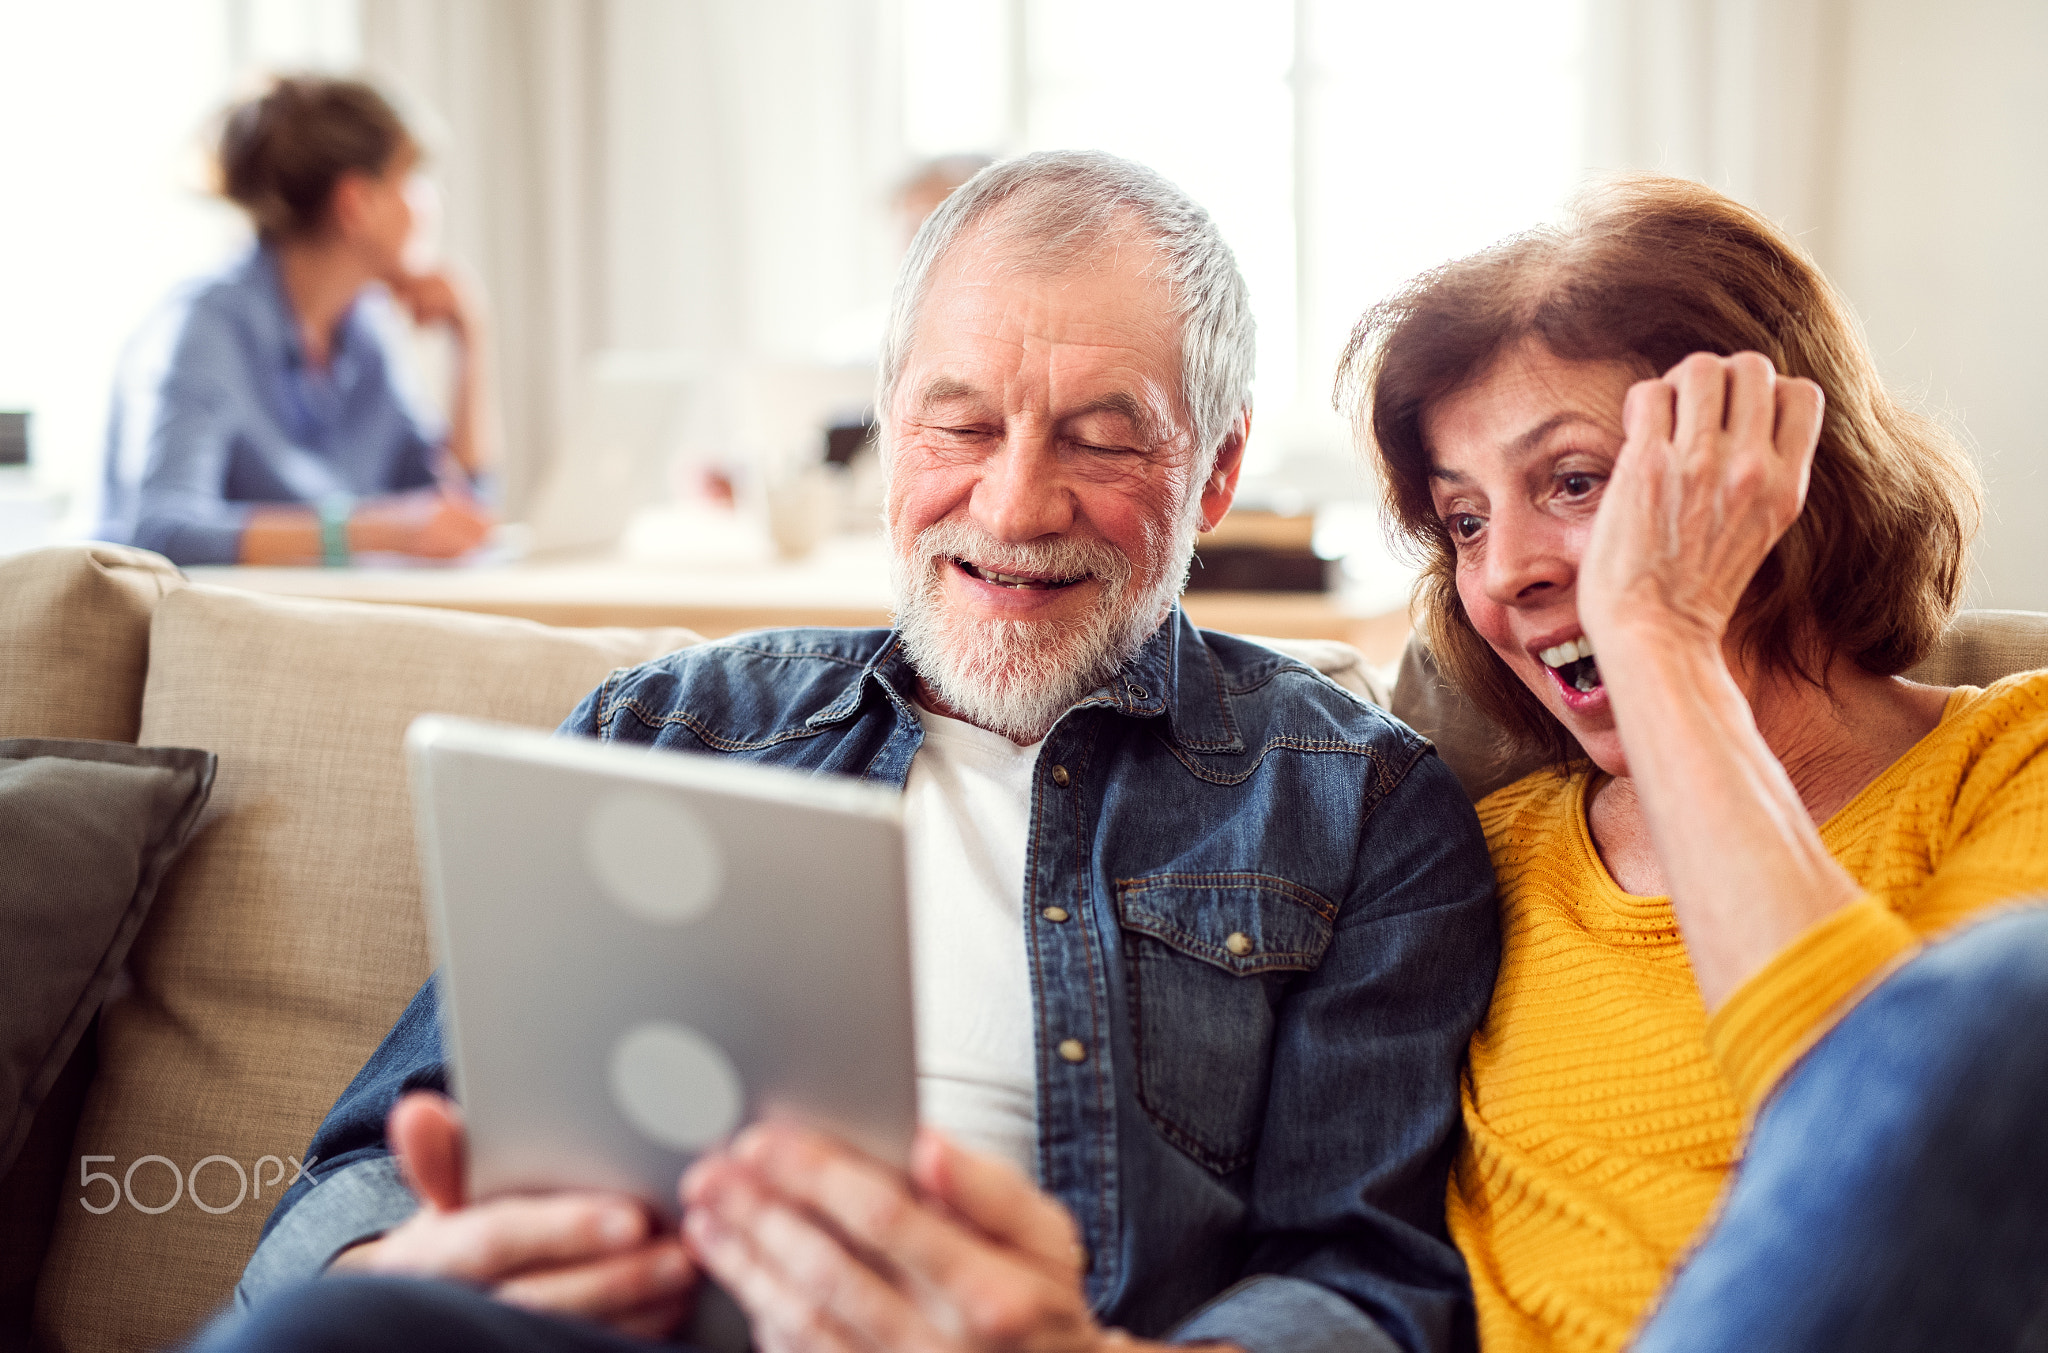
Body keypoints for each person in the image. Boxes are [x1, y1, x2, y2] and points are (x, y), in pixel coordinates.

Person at [207, 151, 1501, 1353]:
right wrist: (406, 1253)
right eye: (961, 425)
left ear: (1215, 472)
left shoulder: (1358, 806)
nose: (1013, 506)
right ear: (889, 430)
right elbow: (360, 1170)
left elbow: (1368, 1283)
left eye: (1103, 438)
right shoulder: (666, 732)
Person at [1339, 174, 2048, 1352]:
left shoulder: (2012, 760)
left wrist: (1660, 638)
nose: (1503, 568)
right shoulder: (1465, 857)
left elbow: (1894, 1145)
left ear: (1770, 481)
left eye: (1572, 481)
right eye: (1463, 520)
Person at [97, 75, 495, 567]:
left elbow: (458, 513)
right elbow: (160, 529)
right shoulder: (205, 327)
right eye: (409, 181)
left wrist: (469, 341)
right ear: (356, 202)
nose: (426, 206)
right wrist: (377, 533)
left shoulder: (364, 334)